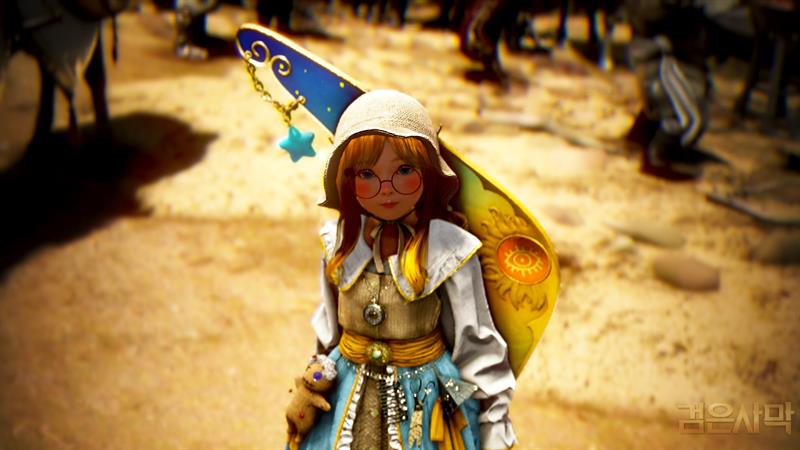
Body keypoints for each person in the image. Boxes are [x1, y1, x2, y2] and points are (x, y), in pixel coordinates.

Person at [290, 89, 516, 450]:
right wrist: (313, 383)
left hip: (426, 405)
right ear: (348, 180)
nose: (386, 190)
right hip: (344, 399)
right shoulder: (339, 244)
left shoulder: (450, 251)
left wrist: (493, 427)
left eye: (404, 171)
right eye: (367, 174)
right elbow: (328, 335)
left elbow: (477, 348)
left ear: (428, 172)